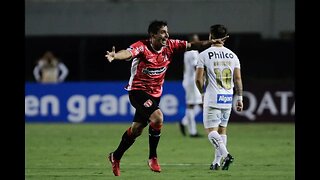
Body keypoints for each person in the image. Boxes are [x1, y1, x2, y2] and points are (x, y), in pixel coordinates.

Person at [104, 20, 228, 176]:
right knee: (158, 118)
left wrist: (211, 42)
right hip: (138, 91)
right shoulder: (141, 46)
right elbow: (127, 53)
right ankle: (153, 157)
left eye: (167, 32)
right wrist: (115, 56)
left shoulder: (170, 45)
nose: (166, 35)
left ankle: (115, 156)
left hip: (155, 94)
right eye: (163, 32)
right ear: (153, 35)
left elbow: (193, 45)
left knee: (136, 130)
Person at [195, 24, 243, 171]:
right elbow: (237, 79)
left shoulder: (203, 55)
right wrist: (239, 97)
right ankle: (216, 163)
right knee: (222, 131)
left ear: (210, 36)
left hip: (212, 97)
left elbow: (198, 79)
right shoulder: (233, 55)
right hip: (227, 98)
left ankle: (226, 154)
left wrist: (202, 93)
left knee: (211, 131)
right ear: (225, 38)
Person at [179, 34, 203, 138]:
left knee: (196, 105)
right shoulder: (193, 52)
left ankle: (184, 122)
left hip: (188, 81)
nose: (198, 42)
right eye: (196, 40)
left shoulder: (187, 53)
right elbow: (195, 67)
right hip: (192, 82)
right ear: (191, 42)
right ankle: (192, 132)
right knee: (193, 105)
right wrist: (202, 78)